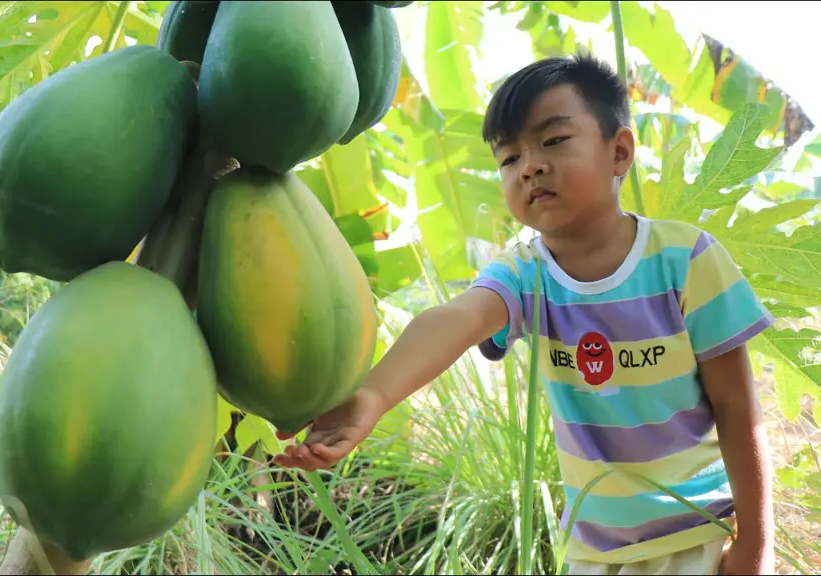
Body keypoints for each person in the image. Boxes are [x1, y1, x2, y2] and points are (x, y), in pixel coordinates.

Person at [272, 52, 776, 575]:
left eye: (553, 141)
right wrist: (373, 395)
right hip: (591, 552)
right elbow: (460, 318)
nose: (530, 165)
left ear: (619, 151)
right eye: (509, 158)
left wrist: (756, 545)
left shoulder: (686, 260)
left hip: (695, 535)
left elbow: (737, 407)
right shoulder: (524, 273)